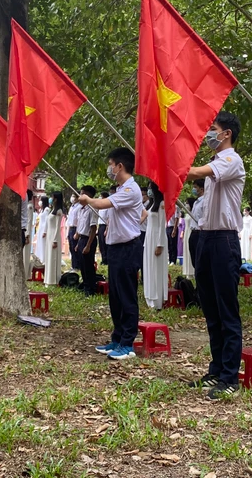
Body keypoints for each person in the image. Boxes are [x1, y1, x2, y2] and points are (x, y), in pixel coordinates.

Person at [186, 111, 246, 400]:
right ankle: (216, 368)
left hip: (224, 239)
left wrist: (174, 163)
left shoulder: (232, 160)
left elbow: (196, 173)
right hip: (206, 238)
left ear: (227, 134)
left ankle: (230, 376)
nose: (209, 134)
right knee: (209, 306)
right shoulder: (214, 163)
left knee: (226, 309)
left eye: (214, 130)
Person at [84, 147, 144, 360]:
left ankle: (128, 344)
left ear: (120, 166)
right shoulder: (122, 190)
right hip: (118, 248)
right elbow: (142, 213)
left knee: (126, 296)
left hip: (128, 248)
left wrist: (88, 200)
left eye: (111, 165)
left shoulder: (130, 189)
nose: (110, 169)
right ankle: (117, 338)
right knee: (116, 297)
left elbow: (101, 204)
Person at [142, 182, 167, 310]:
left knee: (156, 268)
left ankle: (157, 301)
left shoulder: (161, 204)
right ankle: (149, 296)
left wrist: (160, 244)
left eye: (151, 188)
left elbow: (163, 225)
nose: (149, 191)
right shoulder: (151, 205)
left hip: (157, 239)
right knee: (149, 267)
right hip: (149, 238)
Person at [76, 186, 99, 295]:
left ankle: (91, 288)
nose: (79, 197)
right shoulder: (82, 209)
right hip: (82, 238)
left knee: (88, 265)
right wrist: (79, 243)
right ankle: (85, 284)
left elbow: (93, 228)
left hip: (89, 239)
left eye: (82, 194)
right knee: (82, 264)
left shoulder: (92, 209)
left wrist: (88, 245)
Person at [44, 192, 65, 286]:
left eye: (52, 197)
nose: (51, 199)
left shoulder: (59, 211)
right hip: (49, 235)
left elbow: (57, 227)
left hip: (54, 236)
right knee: (49, 257)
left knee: (53, 257)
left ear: (56, 199)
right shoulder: (53, 209)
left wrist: (55, 240)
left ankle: (53, 280)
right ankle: (48, 279)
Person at [188, 179, 205, 270]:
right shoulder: (195, 202)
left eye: (195, 187)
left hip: (200, 233)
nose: (193, 189)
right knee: (194, 259)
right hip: (193, 233)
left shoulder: (205, 202)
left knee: (200, 260)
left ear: (202, 189)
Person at [66, 193, 82, 273]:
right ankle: (73, 265)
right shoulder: (72, 207)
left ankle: (77, 265)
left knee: (75, 248)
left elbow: (79, 220)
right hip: (71, 228)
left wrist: (77, 232)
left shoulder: (79, 207)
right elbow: (69, 220)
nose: (72, 198)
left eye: (74, 196)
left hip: (76, 229)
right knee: (71, 248)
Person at [182, 198, 196, 279]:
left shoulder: (193, 213)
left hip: (191, 232)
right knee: (186, 251)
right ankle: (187, 271)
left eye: (187, 203)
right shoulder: (186, 214)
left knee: (191, 252)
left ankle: (192, 271)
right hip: (186, 233)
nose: (186, 205)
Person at [22, 189, 35, 276]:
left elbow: (29, 221)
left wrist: (27, 235)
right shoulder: (26, 205)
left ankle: (25, 273)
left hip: (27, 233)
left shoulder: (29, 206)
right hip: (25, 231)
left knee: (25, 254)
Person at [98, 190, 110, 265]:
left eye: (101, 197)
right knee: (101, 244)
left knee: (105, 243)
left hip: (105, 226)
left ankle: (106, 259)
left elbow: (109, 219)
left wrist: (106, 229)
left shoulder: (107, 207)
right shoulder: (101, 207)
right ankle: (103, 258)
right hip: (100, 226)